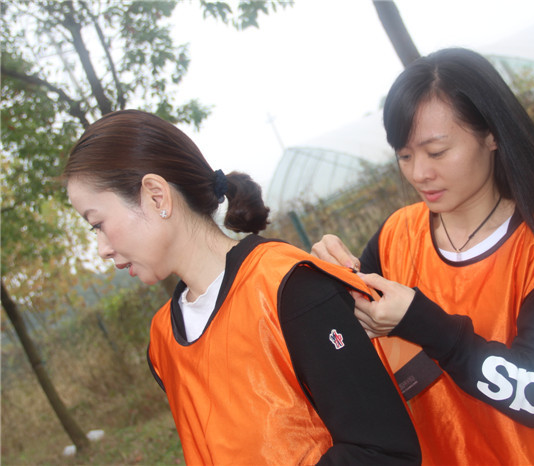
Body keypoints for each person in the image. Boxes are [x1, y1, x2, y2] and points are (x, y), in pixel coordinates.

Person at [312, 48, 534, 465]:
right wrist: (327, 282)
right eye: (404, 155)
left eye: (437, 152)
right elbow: (341, 336)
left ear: (491, 134)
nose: (419, 173)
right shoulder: (396, 236)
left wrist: (421, 321)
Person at [63, 110, 421, 465]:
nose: (102, 248)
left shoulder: (289, 287)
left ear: (157, 196)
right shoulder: (163, 341)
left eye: (98, 224)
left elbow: (385, 451)